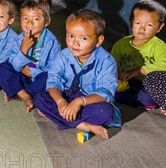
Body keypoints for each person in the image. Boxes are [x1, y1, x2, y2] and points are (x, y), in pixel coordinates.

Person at [33, 10, 121, 139]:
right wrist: (60, 101)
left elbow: (105, 92)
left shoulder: (106, 61)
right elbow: (54, 79)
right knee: (39, 99)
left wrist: (80, 101)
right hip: (67, 96)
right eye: (71, 36)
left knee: (105, 112)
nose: (75, 42)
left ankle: (59, 116)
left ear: (98, 41)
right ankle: (84, 125)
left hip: (90, 100)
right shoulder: (63, 55)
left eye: (83, 38)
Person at [0, 0, 61, 112]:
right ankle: (26, 96)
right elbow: (14, 65)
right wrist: (23, 50)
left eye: (35, 19)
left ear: (46, 22)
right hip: (21, 76)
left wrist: (31, 71)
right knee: (2, 68)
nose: (29, 23)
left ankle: (16, 91)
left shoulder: (52, 43)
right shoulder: (18, 39)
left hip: (38, 79)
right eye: (25, 18)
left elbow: (54, 70)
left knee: (47, 79)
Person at [111, 0, 166, 109]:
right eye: (137, 23)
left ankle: (139, 101)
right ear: (131, 22)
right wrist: (118, 74)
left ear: (159, 27)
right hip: (127, 82)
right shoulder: (121, 44)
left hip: (147, 85)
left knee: (150, 98)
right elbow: (112, 62)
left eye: (149, 25)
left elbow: (165, 67)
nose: (142, 28)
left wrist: (139, 70)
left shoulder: (160, 47)